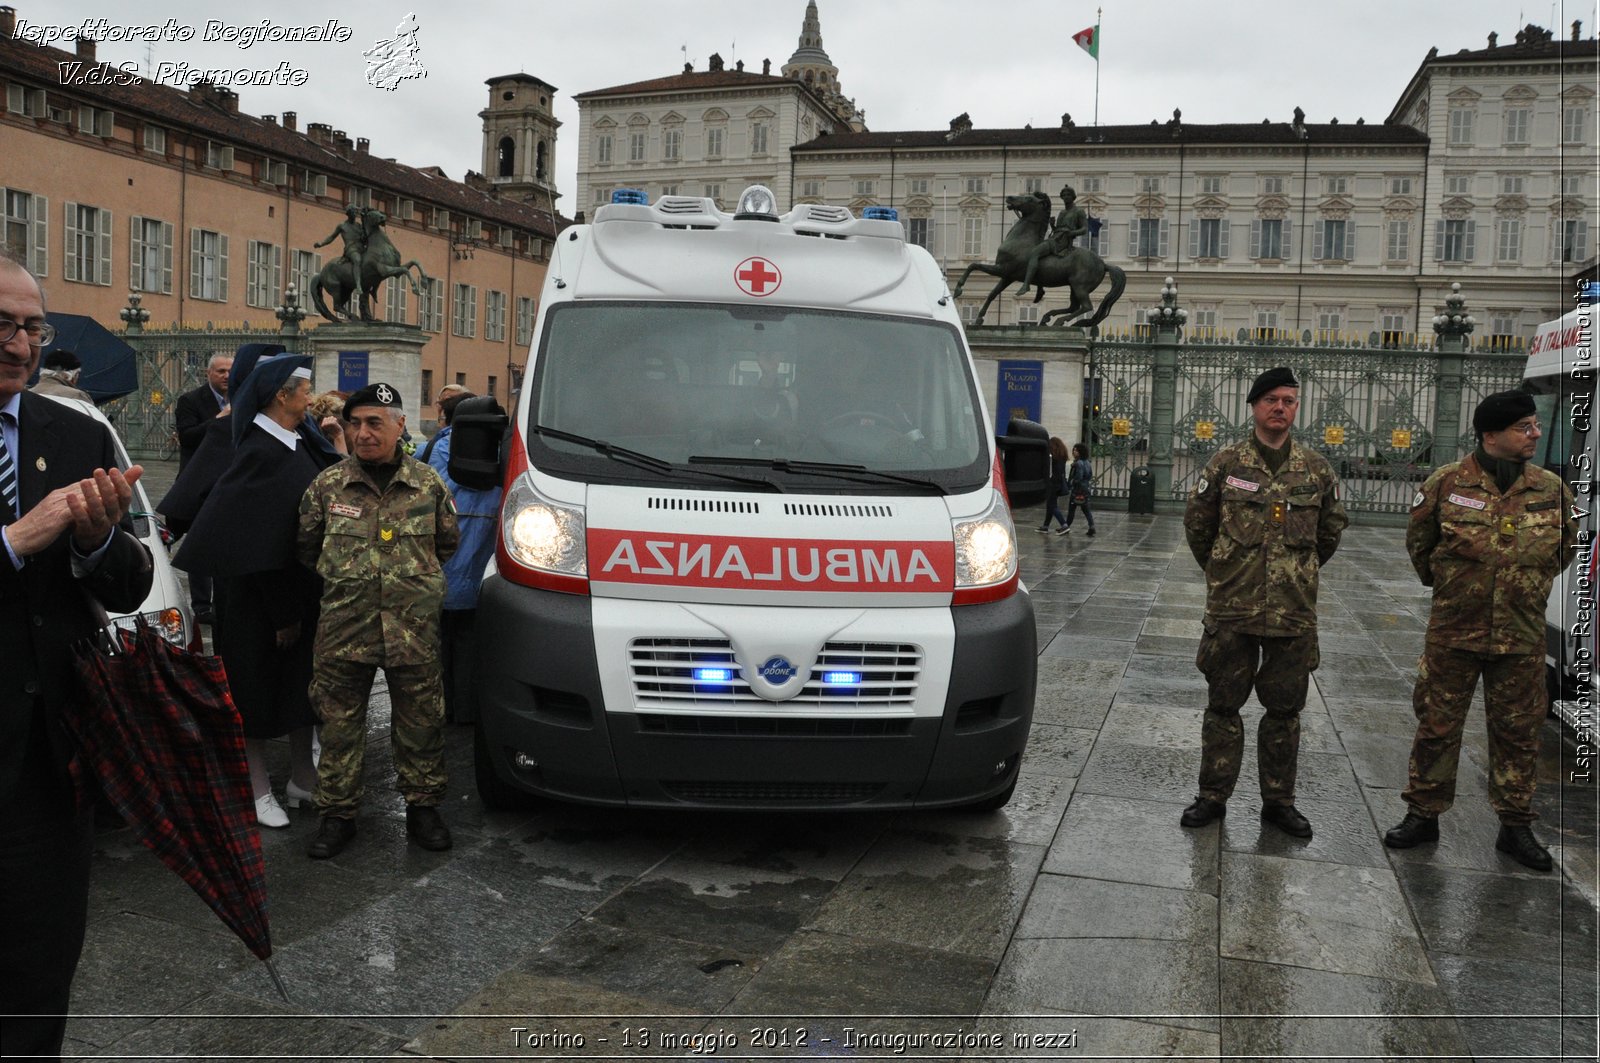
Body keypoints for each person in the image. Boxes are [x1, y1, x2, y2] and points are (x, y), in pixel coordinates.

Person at [0, 251, 154, 1060]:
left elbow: (132, 583)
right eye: (3, 323)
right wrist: (15, 540)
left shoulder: (78, 430)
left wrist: (97, 542)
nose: (20, 344)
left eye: (33, 327)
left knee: (37, 977)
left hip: (50, 766)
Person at [1384, 391, 1577, 871]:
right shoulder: (1445, 484)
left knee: (1518, 733)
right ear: (1491, 435)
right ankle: (1422, 814)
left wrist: (1521, 585)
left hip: (1521, 636)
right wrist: (1456, 588)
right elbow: (1421, 547)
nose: (1535, 434)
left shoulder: (1552, 490)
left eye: (1534, 426)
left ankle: (1516, 826)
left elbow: (1565, 550)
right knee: (1437, 727)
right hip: (1455, 632)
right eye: (1524, 427)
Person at [1179, 366, 1348, 838]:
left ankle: (1279, 802)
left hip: (1292, 613)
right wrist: (1225, 572)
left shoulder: (1315, 469)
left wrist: (1299, 572)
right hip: (1233, 609)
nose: (1281, 408)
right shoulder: (1226, 464)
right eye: (1272, 399)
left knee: (1284, 713)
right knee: (1223, 709)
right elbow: (1198, 525)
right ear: (1254, 405)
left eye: (1289, 400)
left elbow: (1330, 530)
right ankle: (1212, 797)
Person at [175, 354, 340, 829]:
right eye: (305, 390)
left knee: (297, 691)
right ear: (282, 395)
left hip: (298, 587)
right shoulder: (249, 444)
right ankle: (256, 788)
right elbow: (253, 531)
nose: (312, 398)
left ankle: (303, 780)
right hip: (254, 594)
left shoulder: (297, 439)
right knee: (253, 691)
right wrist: (281, 611)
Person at [297, 382, 460, 859]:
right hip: (345, 630)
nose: (364, 433)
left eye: (375, 423)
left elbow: (446, 543)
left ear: (400, 426)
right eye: (356, 423)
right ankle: (338, 815)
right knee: (338, 725)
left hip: (413, 630)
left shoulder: (427, 484)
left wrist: (410, 589)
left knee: (422, 721)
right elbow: (307, 547)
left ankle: (424, 809)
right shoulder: (328, 485)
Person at [424, 390, 503, 723]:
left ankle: (439, 710)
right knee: (471, 644)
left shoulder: (429, 450)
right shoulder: (503, 452)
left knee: (438, 644)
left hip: (437, 570)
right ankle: (468, 713)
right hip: (482, 571)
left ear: (446, 417)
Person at [171, 351, 234, 623]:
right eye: (221, 371)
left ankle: (224, 601)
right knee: (198, 543)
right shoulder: (190, 400)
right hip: (197, 483)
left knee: (223, 543)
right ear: (208, 373)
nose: (226, 376)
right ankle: (201, 606)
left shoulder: (242, 399)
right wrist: (219, 419)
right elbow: (187, 437)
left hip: (228, 483)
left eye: (230, 371)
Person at [1017, 183, 1089, 298]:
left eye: (1068, 195)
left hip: (1063, 241)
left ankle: (1026, 285)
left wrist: (1072, 233)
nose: (1066, 197)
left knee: (1035, 252)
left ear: (1073, 197)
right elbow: (1058, 230)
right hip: (1055, 237)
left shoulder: (1078, 211)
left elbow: (1085, 229)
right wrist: (1052, 225)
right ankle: (1040, 288)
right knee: (1041, 258)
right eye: (1064, 195)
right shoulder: (1062, 212)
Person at [314, 205, 368, 299]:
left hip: (361, 248)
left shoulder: (358, 225)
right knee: (357, 260)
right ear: (348, 214)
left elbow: (364, 237)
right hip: (351, 249)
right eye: (353, 212)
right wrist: (321, 244)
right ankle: (358, 285)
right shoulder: (342, 226)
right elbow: (331, 237)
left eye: (356, 212)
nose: (355, 214)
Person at [1062, 442, 1097, 536]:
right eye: (1073, 450)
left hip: (1078, 489)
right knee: (1086, 509)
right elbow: (1090, 475)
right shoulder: (1087, 462)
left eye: (1076, 450)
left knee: (1072, 509)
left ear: (1080, 452)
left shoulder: (1078, 463)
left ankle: (1066, 526)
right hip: (1085, 488)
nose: (1074, 452)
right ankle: (1091, 526)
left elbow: (1078, 477)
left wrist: (1072, 483)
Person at [1037, 436, 1070, 533]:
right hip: (1058, 483)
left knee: (1052, 506)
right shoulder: (1061, 456)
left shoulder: (1054, 457)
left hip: (1053, 484)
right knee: (1050, 505)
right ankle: (1045, 526)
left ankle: (1064, 525)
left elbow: (1052, 472)